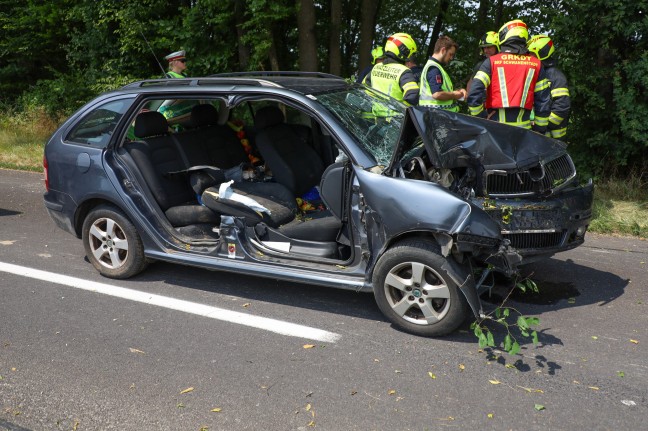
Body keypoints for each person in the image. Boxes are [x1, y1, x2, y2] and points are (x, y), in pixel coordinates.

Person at [467, 19, 551, 133]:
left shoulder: (491, 62)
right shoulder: (536, 64)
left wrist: (480, 116)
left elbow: (474, 92)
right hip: (524, 131)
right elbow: (543, 101)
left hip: (495, 130)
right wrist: (539, 130)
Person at [527, 34, 571, 139]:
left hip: (552, 137)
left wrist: (543, 126)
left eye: (531, 54)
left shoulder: (555, 76)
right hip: (537, 133)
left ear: (541, 54)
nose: (528, 57)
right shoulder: (534, 73)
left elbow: (562, 107)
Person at [362, 33, 420, 106]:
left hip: (377, 116)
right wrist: (402, 109)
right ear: (404, 51)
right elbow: (413, 96)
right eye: (410, 53)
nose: (410, 56)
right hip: (397, 117)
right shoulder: (404, 71)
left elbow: (364, 89)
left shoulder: (376, 68)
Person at [419, 35, 466, 112]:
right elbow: (437, 94)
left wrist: (458, 92)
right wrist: (454, 95)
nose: (451, 58)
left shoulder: (436, 67)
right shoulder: (434, 68)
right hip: (436, 116)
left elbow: (442, 91)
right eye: (450, 54)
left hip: (434, 115)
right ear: (443, 50)